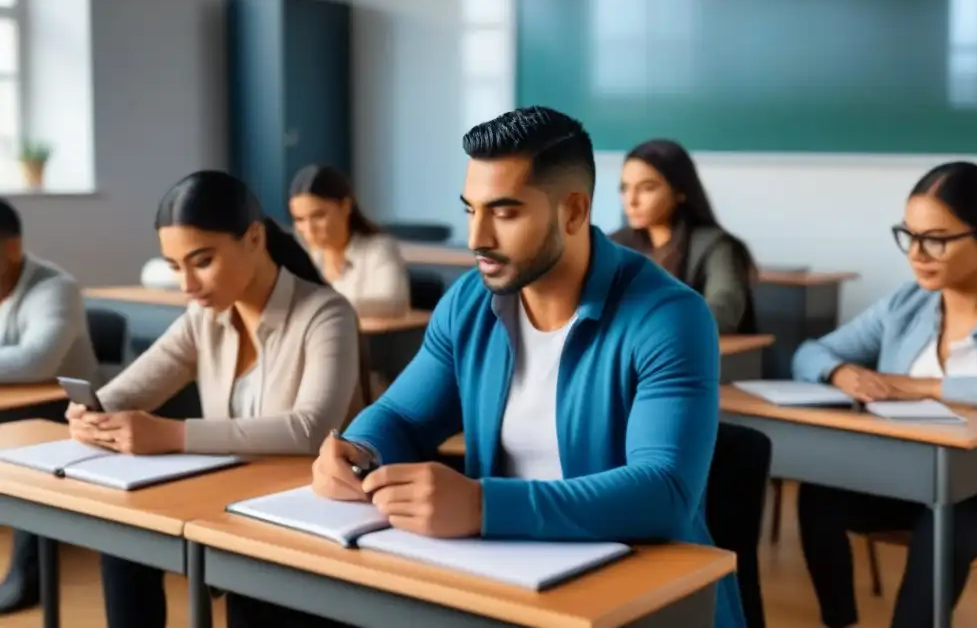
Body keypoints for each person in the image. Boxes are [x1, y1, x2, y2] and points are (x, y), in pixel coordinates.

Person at [308, 107, 746, 628]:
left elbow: (664, 491)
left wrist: (482, 507)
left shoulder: (671, 317)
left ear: (574, 212)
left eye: (505, 212)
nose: (478, 238)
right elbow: (402, 415)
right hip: (505, 584)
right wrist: (360, 451)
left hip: (646, 599)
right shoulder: (469, 301)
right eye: (471, 210)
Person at [66, 170, 360, 628]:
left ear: (254, 238)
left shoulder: (326, 313)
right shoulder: (203, 316)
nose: (187, 284)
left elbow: (311, 428)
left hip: (310, 510)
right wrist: (92, 409)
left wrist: (172, 434)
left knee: (252, 596)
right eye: (174, 266)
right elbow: (134, 386)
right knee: (122, 540)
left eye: (201, 261)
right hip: (230, 495)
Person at [792, 161, 977, 628]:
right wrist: (840, 373)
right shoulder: (905, 304)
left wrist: (919, 387)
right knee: (817, 494)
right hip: (910, 477)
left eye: (936, 238)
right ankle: (841, 622)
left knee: (943, 526)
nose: (917, 253)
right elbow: (808, 353)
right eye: (908, 235)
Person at [0, 198, 99, 615]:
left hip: (70, 415)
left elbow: (35, 360)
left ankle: (27, 576)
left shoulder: (55, 288)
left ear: (11, 246)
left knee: (23, 443)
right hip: (17, 408)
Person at [610, 139, 757, 334]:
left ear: (680, 191)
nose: (631, 200)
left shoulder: (717, 246)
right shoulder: (614, 244)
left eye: (647, 188)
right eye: (625, 188)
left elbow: (723, 310)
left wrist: (650, 328)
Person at [289, 164, 411, 318]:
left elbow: (395, 303)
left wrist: (323, 307)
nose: (309, 229)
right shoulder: (302, 255)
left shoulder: (378, 248)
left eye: (318, 216)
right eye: (299, 219)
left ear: (346, 206)